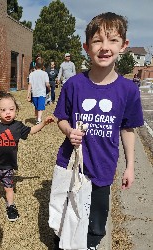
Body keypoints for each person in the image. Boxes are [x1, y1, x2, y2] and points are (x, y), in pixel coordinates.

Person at [51, 12, 144, 250]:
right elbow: (61, 117)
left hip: (104, 167)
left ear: (124, 45)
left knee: (97, 217)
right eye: (97, 41)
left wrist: (131, 167)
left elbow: (128, 129)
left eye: (112, 40)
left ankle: (91, 243)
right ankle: (63, 240)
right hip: (72, 165)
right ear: (86, 46)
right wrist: (68, 131)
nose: (104, 47)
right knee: (66, 209)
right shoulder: (74, 85)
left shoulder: (128, 90)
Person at [0, 91, 54, 222]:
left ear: (16, 110)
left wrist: (43, 123)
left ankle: (11, 206)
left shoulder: (18, 126)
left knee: (9, 188)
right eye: (3, 110)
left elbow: (31, 131)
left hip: (8, 167)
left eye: (11, 109)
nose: (8, 112)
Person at [27, 58, 50, 124]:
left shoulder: (32, 74)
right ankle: (38, 119)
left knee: (37, 106)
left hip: (34, 93)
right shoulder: (45, 74)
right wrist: (49, 88)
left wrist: (28, 94)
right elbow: (47, 84)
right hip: (42, 93)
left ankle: (37, 118)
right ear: (43, 66)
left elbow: (30, 84)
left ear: (35, 65)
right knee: (40, 107)